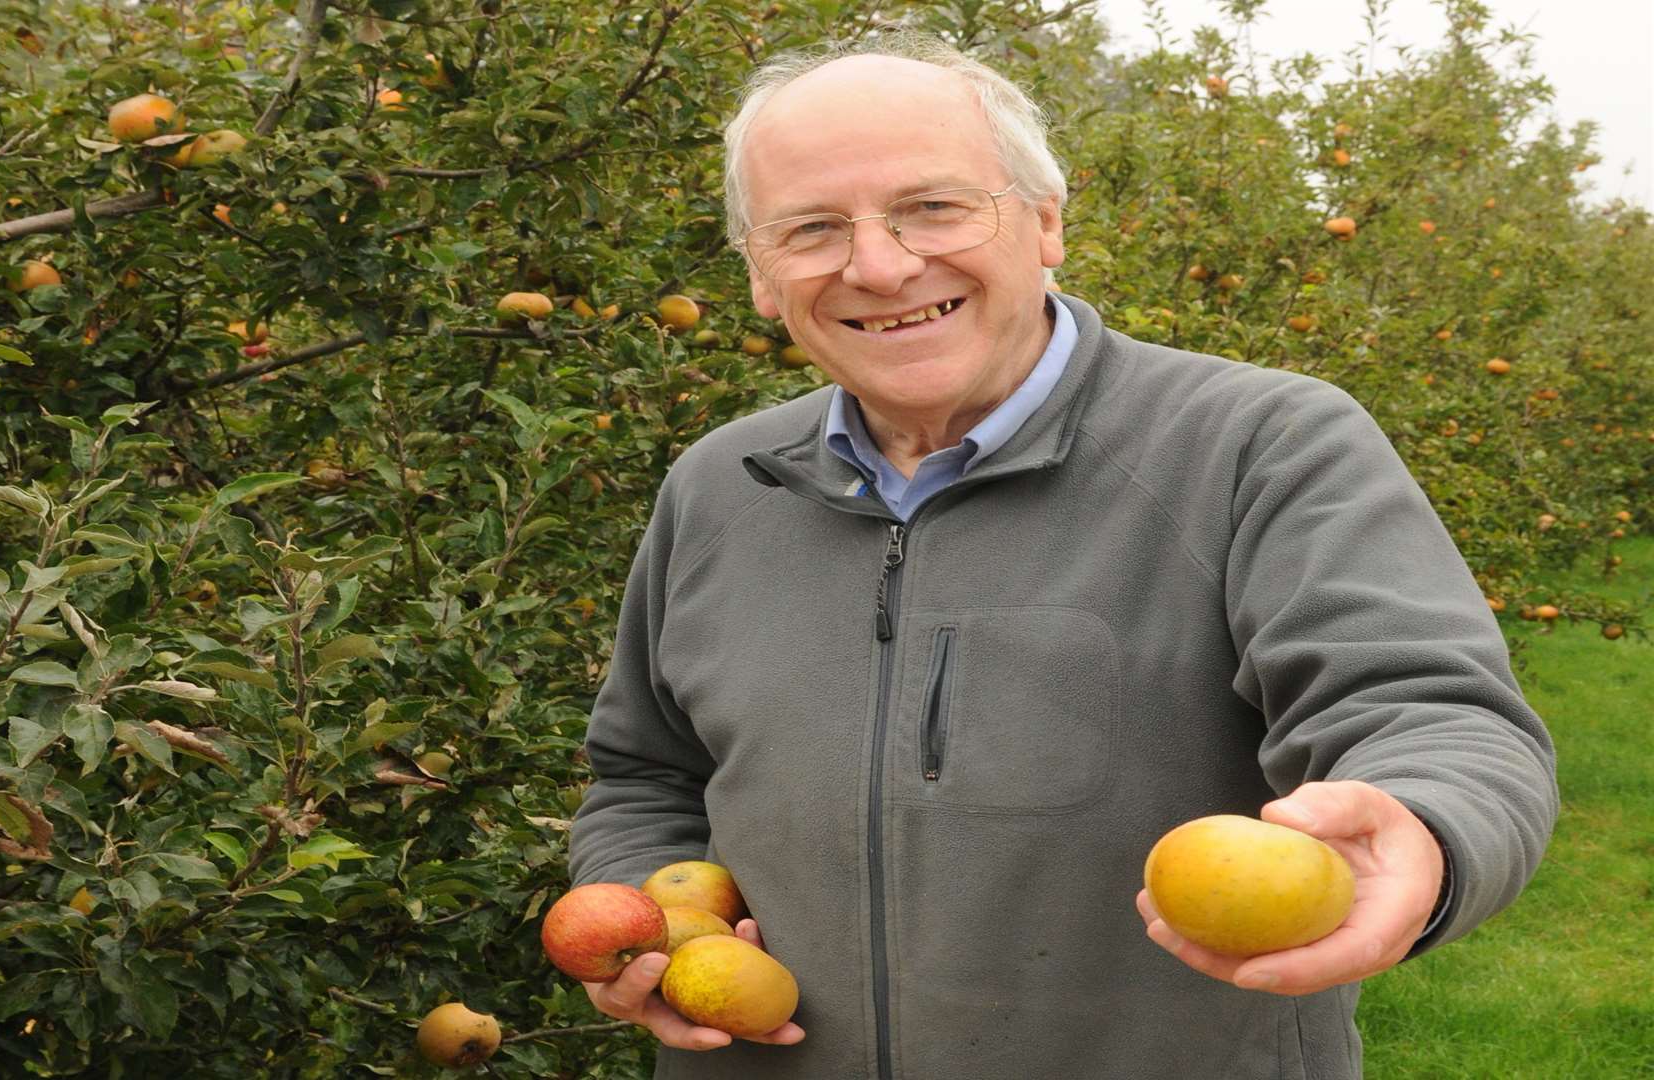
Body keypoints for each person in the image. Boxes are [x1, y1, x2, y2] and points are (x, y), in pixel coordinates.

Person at [565, 31, 1557, 1080]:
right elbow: (645, 773)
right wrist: (645, 914)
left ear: (1045, 221)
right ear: (762, 277)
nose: (881, 263)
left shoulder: (1258, 446)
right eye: (811, 228)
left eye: (934, 207)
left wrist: (1427, 830)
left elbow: (1430, 711)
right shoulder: (722, 485)